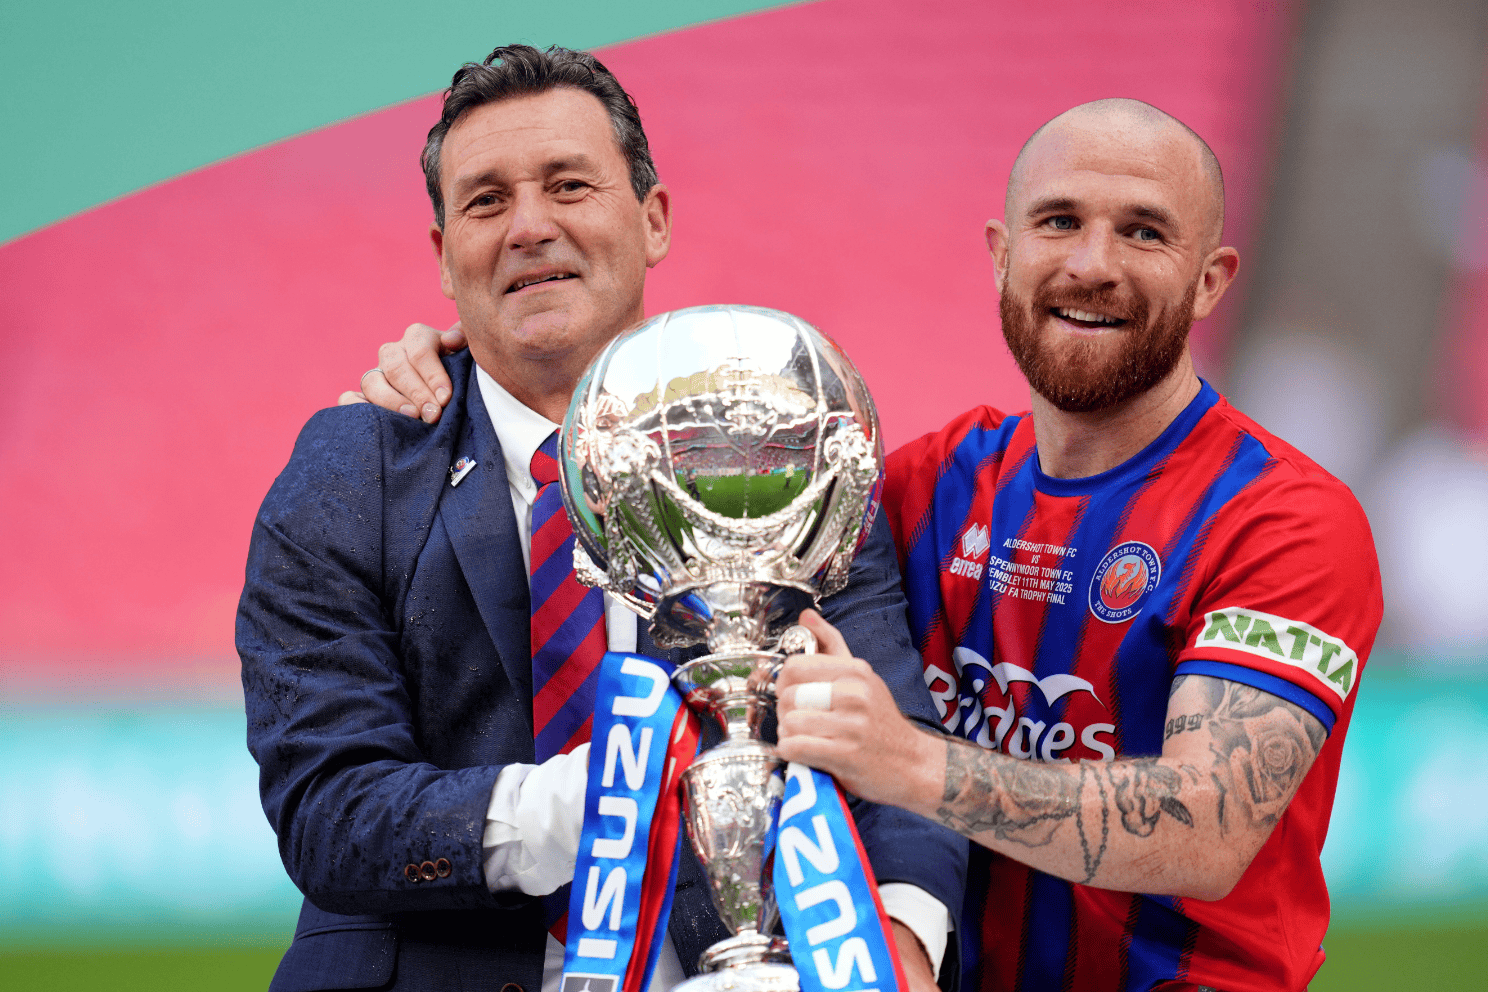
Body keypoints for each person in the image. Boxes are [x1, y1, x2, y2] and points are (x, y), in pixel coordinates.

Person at [357, 97, 1383, 991]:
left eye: (1144, 232)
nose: (1091, 264)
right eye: (1059, 221)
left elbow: (1206, 827)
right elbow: (697, 488)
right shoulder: (923, 486)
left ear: (1210, 280)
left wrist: (910, 762)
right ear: (1002, 253)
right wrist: (478, 369)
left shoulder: (1285, 519)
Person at [241, 44, 965, 992]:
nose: (529, 227)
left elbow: (900, 751)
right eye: (486, 202)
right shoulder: (349, 472)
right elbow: (329, 811)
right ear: (444, 256)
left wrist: (899, 949)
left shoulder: (786, 452)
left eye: (569, 185)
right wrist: (603, 800)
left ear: (653, 219)